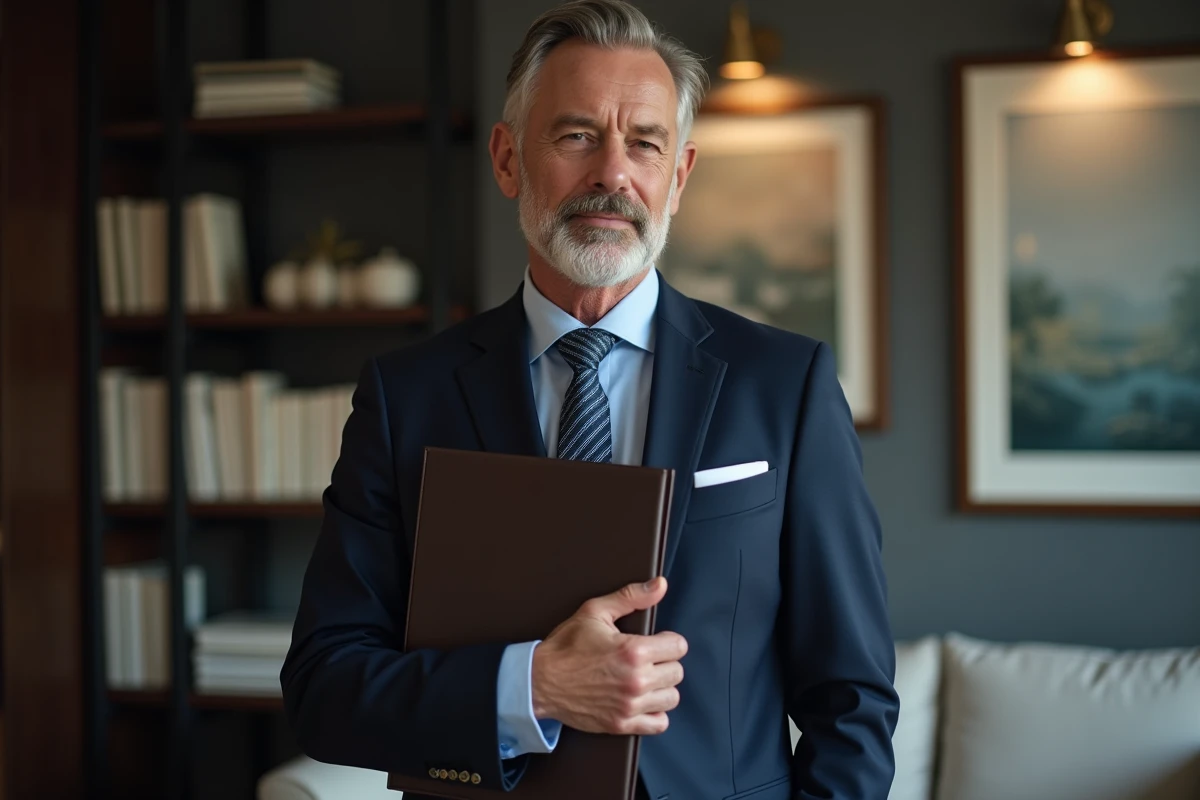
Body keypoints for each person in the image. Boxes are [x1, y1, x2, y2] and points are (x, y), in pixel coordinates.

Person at [280, 1, 899, 798]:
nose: (613, 172)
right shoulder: (408, 395)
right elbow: (325, 690)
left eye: (644, 143)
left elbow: (851, 697)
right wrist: (532, 686)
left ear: (676, 179)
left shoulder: (785, 384)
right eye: (577, 136)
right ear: (507, 161)